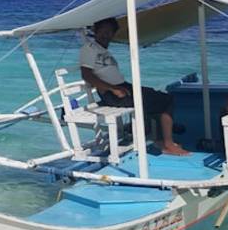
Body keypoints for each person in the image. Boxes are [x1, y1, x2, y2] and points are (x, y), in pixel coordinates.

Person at [80, 17, 189, 156]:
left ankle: (160, 138)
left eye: (109, 32)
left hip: (122, 87)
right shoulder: (89, 49)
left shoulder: (102, 50)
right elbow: (86, 75)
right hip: (113, 94)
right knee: (165, 100)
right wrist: (112, 89)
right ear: (95, 30)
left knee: (161, 97)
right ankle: (168, 144)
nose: (106, 35)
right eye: (103, 31)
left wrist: (118, 88)